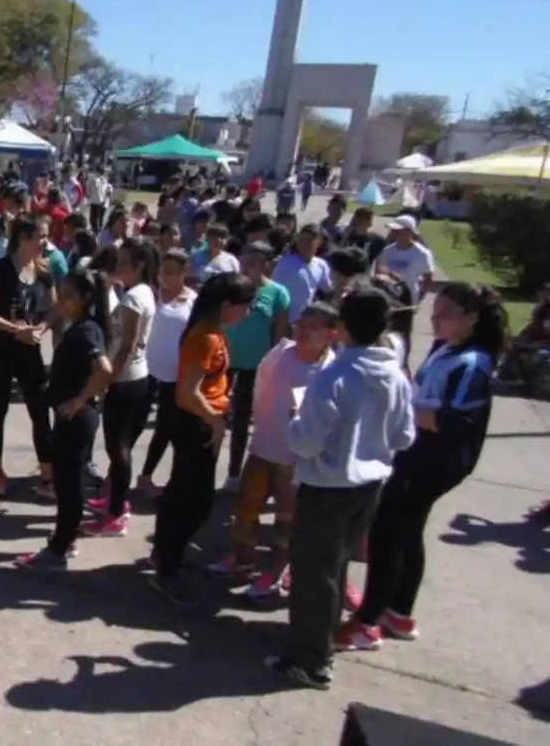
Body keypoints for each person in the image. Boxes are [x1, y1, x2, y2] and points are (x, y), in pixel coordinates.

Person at [337, 282, 505, 652]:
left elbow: (448, 419)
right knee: (408, 531)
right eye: (435, 312)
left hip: (436, 460)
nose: (436, 320)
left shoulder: (472, 363)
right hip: (419, 453)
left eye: (446, 314)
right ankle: (398, 613)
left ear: (472, 318)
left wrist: (397, 405)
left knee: (387, 532)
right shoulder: (448, 348)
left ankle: (367, 623)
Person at [265, 286, 415, 690]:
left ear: (342, 327)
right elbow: (403, 436)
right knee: (336, 565)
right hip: (369, 486)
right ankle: (322, 637)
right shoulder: (396, 376)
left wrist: (298, 418)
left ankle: (309, 661)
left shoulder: (333, 377)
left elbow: (304, 442)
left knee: (314, 572)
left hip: (328, 486)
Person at [209, 302, 337, 598]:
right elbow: (260, 388)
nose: (302, 332)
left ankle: (276, 571)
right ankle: (242, 561)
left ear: (330, 334)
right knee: (244, 508)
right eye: (300, 325)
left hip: (297, 460)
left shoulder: (330, 371)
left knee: (286, 521)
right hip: (264, 446)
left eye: (312, 328)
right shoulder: (281, 353)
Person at [150, 272, 255, 606]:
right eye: (245, 306)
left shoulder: (213, 332)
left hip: (202, 421)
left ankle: (168, 556)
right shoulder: (205, 337)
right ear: (227, 305)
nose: (248, 313)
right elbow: (187, 393)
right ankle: (166, 568)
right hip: (197, 424)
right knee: (193, 502)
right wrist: (215, 421)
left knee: (185, 495)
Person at [15, 269, 114, 570]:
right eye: (62, 293)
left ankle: (57, 550)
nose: (63, 301)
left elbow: (105, 371)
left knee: (68, 487)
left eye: (69, 295)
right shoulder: (83, 326)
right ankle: (66, 539)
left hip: (76, 418)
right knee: (72, 483)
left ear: (85, 297)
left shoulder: (86, 331)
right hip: (77, 416)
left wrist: (79, 400)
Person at [0, 214, 53, 497]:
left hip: (29, 351)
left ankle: (46, 474)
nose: (46, 242)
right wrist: (13, 329)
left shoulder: (44, 272)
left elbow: (53, 310)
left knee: (40, 411)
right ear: (23, 239)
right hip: (0, 350)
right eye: (41, 237)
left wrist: (41, 327)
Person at [83, 238, 157, 538]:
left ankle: (115, 513)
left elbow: (125, 347)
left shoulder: (132, 300)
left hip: (126, 381)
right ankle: (114, 500)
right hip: (137, 378)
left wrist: (106, 381)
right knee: (120, 448)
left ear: (139, 266)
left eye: (125, 262)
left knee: (118, 449)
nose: (119, 267)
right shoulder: (142, 292)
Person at [222, 240, 291, 490]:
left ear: (266, 266)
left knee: (242, 419)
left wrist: (276, 365)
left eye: (252, 263)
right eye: (243, 262)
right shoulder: (231, 287)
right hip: (225, 362)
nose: (246, 267)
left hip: (256, 366)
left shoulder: (277, 293)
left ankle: (233, 472)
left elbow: (281, 332)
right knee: (216, 414)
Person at [136, 249, 195, 497]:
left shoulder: (193, 300)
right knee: (134, 423)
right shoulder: (150, 295)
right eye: (163, 270)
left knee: (165, 428)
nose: (165, 276)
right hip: (145, 370)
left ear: (184, 272)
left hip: (174, 375)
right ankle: (114, 477)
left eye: (172, 271)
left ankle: (146, 476)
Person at [271, 223, 331, 322]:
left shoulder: (321, 265)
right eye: (301, 239)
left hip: (302, 323)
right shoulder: (284, 262)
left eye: (309, 240)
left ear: (319, 242)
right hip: (280, 321)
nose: (304, 243)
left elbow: (327, 288)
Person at [378, 215, 434, 304]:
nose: (393, 232)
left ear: (408, 232)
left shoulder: (422, 254)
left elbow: (427, 278)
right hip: (388, 297)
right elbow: (380, 270)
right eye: (393, 230)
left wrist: (420, 297)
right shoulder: (387, 251)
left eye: (397, 230)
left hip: (409, 298)